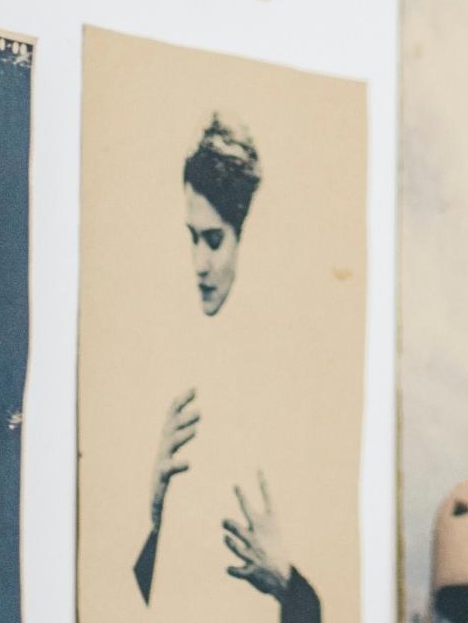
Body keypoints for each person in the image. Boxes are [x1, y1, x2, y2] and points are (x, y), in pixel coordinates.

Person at [135, 115, 322, 623]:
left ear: (247, 237)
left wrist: (289, 586)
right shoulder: (192, 368)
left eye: (214, 241)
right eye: (191, 238)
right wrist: (157, 512)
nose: (199, 263)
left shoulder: (285, 370)